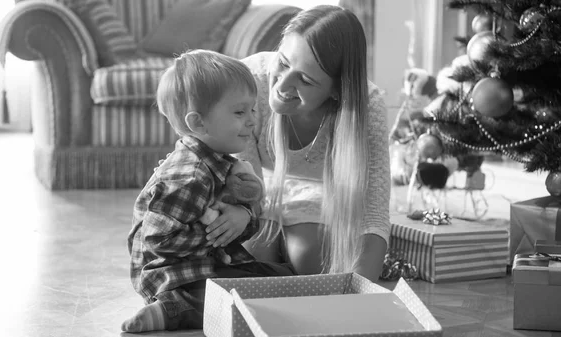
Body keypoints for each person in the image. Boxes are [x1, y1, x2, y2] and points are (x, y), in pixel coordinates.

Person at [121, 49, 295, 333]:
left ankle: (187, 303)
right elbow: (156, 240)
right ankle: (170, 309)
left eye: (252, 109)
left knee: (284, 279)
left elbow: (241, 217)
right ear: (197, 123)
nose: (252, 120)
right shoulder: (190, 177)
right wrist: (214, 233)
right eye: (239, 112)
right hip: (174, 277)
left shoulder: (221, 162)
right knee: (239, 299)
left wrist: (243, 214)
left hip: (206, 264)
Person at [230, 4, 391, 280]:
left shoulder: (367, 105)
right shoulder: (247, 83)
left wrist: (363, 294)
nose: (281, 86)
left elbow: (373, 212)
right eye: (282, 63)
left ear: (337, 90)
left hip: (320, 196)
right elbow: (243, 190)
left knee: (312, 259)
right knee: (253, 257)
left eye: (304, 80)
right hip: (255, 189)